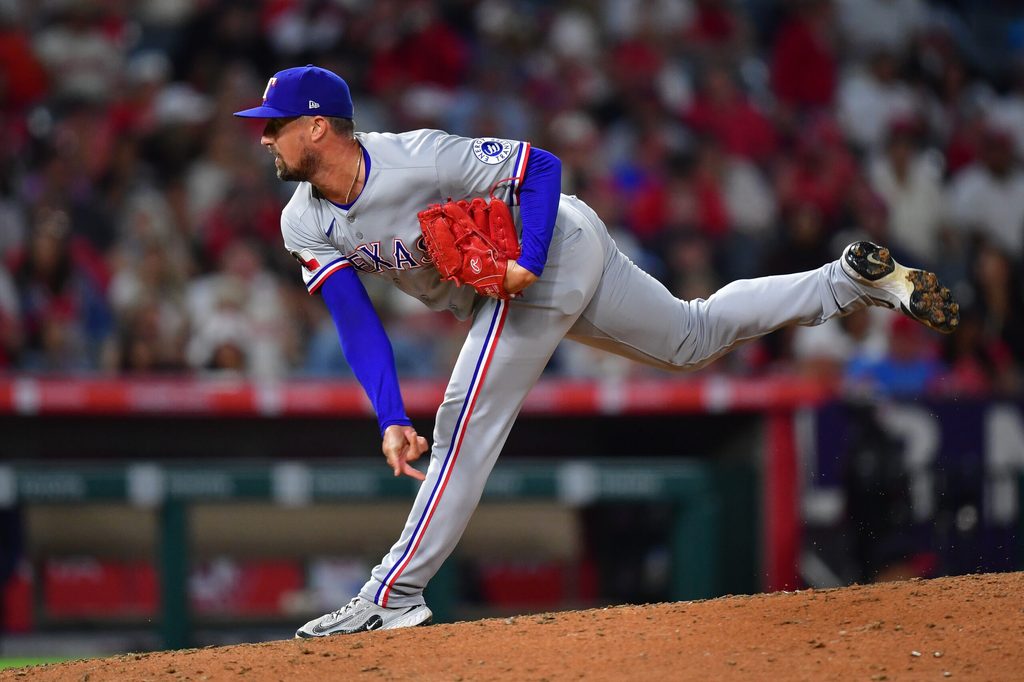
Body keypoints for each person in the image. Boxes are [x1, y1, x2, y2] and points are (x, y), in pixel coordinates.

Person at [233, 65, 960, 638]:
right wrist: (389, 414)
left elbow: (540, 168)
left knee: (463, 425)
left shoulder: (419, 157)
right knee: (692, 337)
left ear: (319, 127)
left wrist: (529, 258)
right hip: (530, 274)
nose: (264, 138)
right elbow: (355, 320)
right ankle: (847, 281)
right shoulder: (303, 220)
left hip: (552, 250)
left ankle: (391, 595)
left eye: (275, 126)